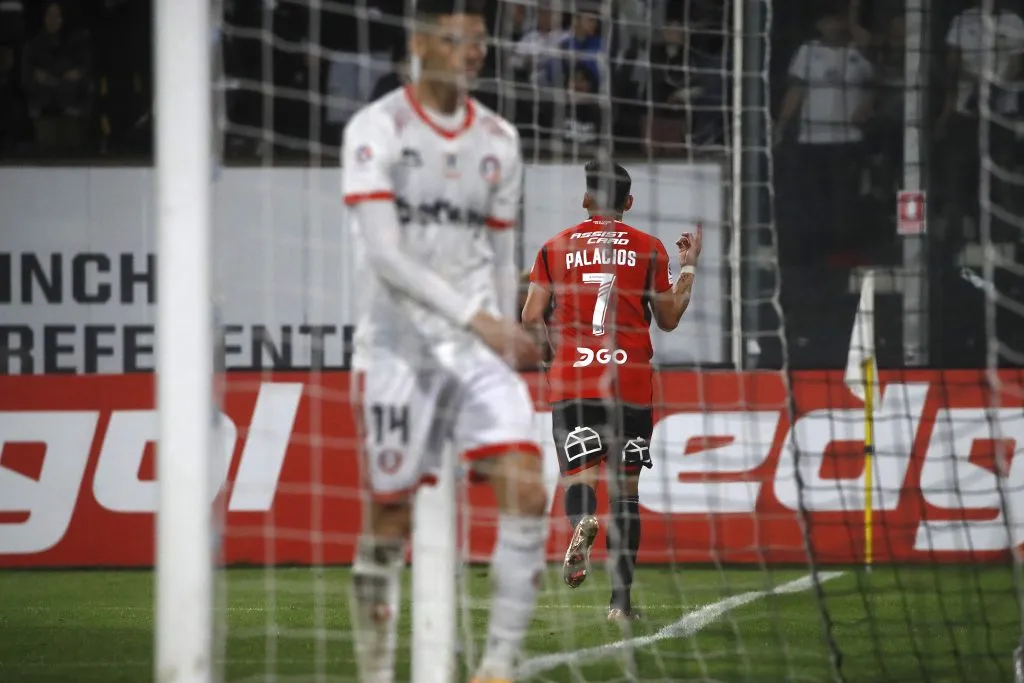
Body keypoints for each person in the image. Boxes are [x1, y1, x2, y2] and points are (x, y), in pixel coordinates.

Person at [340, 1, 548, 681]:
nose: (474, 52)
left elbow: (501, 254)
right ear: (422, 45)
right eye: (458, 40)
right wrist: (477, 317)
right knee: (389, 520)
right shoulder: (377, 128)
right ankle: (376, 674)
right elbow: (384, 255)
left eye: (480, 40)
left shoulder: (499, 141)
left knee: (527, 488)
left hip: (473, 352)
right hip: (396, 349)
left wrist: (508, 324)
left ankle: (498, 666)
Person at [521, 159, 701, 621]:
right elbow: (669, 318)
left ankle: (582, 520)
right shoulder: (649, 248)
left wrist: (549, 359)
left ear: (586, 199)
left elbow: (530, 316)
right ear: (629, 202)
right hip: (630, 382)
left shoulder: (554, 247)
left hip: (575, 381)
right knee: (626, 494)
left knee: (580, 479)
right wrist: (688, 268)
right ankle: (620, 605)